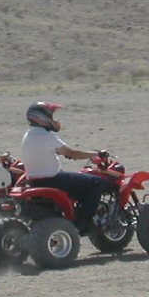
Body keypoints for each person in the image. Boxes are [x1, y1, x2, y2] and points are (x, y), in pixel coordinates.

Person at [20, 101, 111, 235]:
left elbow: (46, 152)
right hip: (53, 179)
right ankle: (84, 223)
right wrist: (96, 154)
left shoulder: (28, 135)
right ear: (43, 118)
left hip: (34, 181)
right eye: (51, 116)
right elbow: (72, 153)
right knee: (95, 182)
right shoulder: (46, 136)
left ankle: (76, 212)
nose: (53, 120)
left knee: (78, 182)